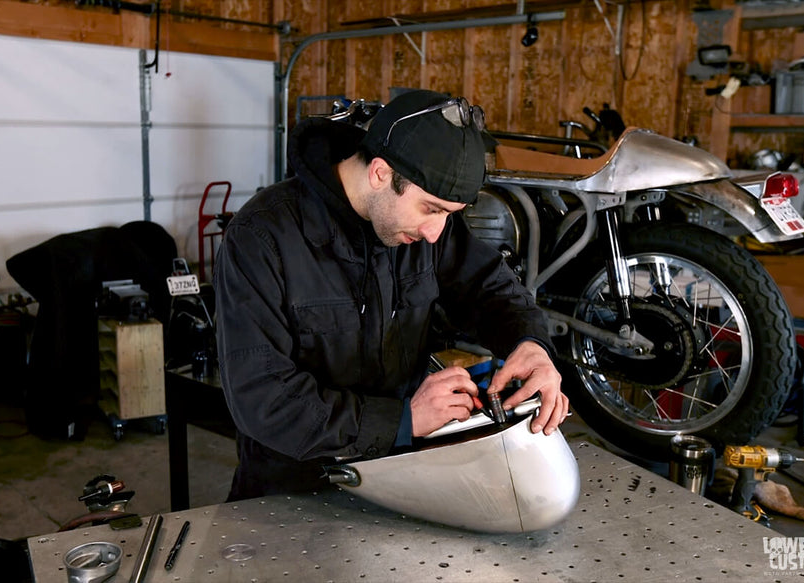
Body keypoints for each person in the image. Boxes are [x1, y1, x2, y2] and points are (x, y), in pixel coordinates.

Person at [215, 89, 569, 501]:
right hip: (292, 493)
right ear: (381, 173)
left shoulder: (426, 223)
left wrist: (531, 344)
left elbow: (487, 286)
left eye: (450, 215)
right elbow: (262, 399)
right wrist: (402, 420)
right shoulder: (261, 238)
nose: (436, 233)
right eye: (431, 209)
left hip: (403, 477)